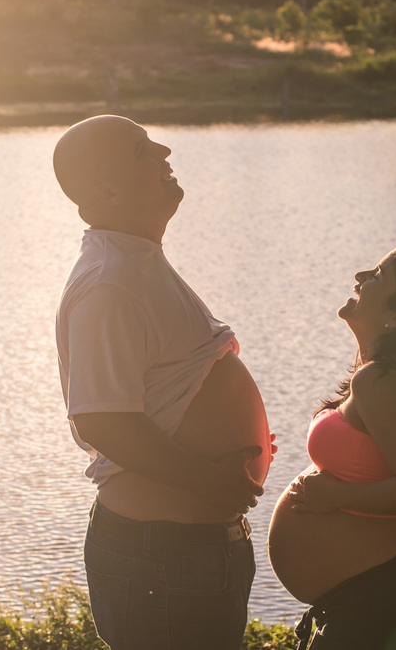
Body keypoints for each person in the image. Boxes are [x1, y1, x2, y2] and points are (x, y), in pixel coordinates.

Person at [53, 115, 273, 650]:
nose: (165, 150)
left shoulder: (136, 262)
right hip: (164, 557)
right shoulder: (109, 283)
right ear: (106, 191)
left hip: (185, 549)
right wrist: (210, 479)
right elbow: (102, 420)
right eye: (143, 150)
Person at [268, 241, 396, 650]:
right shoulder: (386, 378)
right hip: (374, 594)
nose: (361, 277)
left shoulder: (380, 383)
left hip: (381, 599)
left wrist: (334, 495)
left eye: (379, 275)